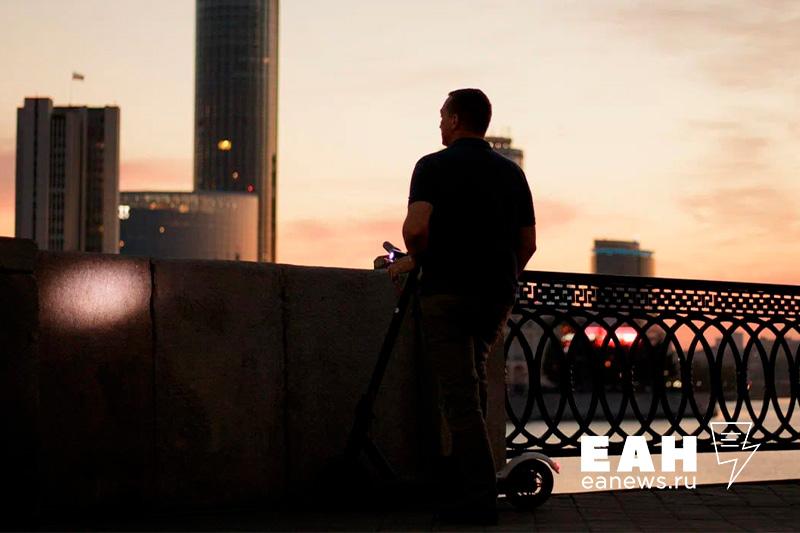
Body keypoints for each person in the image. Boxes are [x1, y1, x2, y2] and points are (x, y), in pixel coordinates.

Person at [388, 88, 536, 524]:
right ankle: (470, 482)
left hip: (446, 291)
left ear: (455, 120)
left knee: (459, 396)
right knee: (473, 382)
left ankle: (478, 496)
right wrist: (503, 275)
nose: (439, 123)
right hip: (495, 295)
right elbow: (528, 243)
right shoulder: (512, 174)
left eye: (442, 116)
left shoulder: (431, 167)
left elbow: (416, 230)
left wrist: (419, 256)